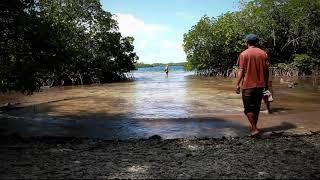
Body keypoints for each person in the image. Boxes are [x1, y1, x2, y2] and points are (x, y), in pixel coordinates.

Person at [235, 33, 269, 137]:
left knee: (248, 109)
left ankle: (254, 128)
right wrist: (266, 85)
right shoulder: (264, 54)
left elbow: (240, 71)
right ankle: (255, 127)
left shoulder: (243, 54)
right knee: (256, 107)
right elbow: (267, 71)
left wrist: (237, 85)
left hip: (248, 86)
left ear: (247, 42)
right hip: (260, 86)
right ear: (256, 42)